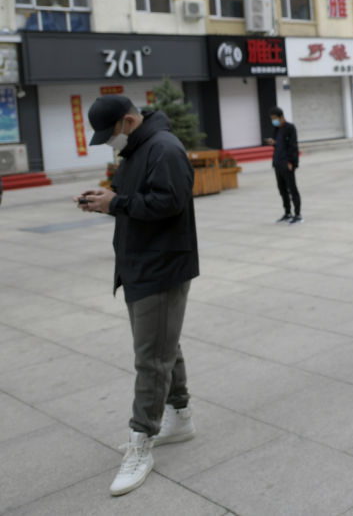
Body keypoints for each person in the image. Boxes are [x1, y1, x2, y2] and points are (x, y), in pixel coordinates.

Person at [75, 95, 198, 497]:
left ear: (128, 121)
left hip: (161, 266)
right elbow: (133, 197)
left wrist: (119, 203)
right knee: (164, 346)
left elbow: (170, 202)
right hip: (140, 264)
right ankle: (180, 415)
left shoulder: (163, 148)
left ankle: (140, 442)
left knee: (151, 358)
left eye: (109, 135)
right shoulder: (139, 147)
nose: (109, 144)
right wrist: (106, 200)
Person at [266, 107, 301, 224]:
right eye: (272, 119)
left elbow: (293, 146)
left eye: (275, 118)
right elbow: (279, 145)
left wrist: (293, 163)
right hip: (277, 163)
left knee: (292, 189)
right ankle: (287, 213)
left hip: (287, 164)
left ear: (281, 117)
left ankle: (298, 215)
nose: (273, 121)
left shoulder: (290, 128)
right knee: (282, 190)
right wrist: (274, 143)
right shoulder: (276, 129)